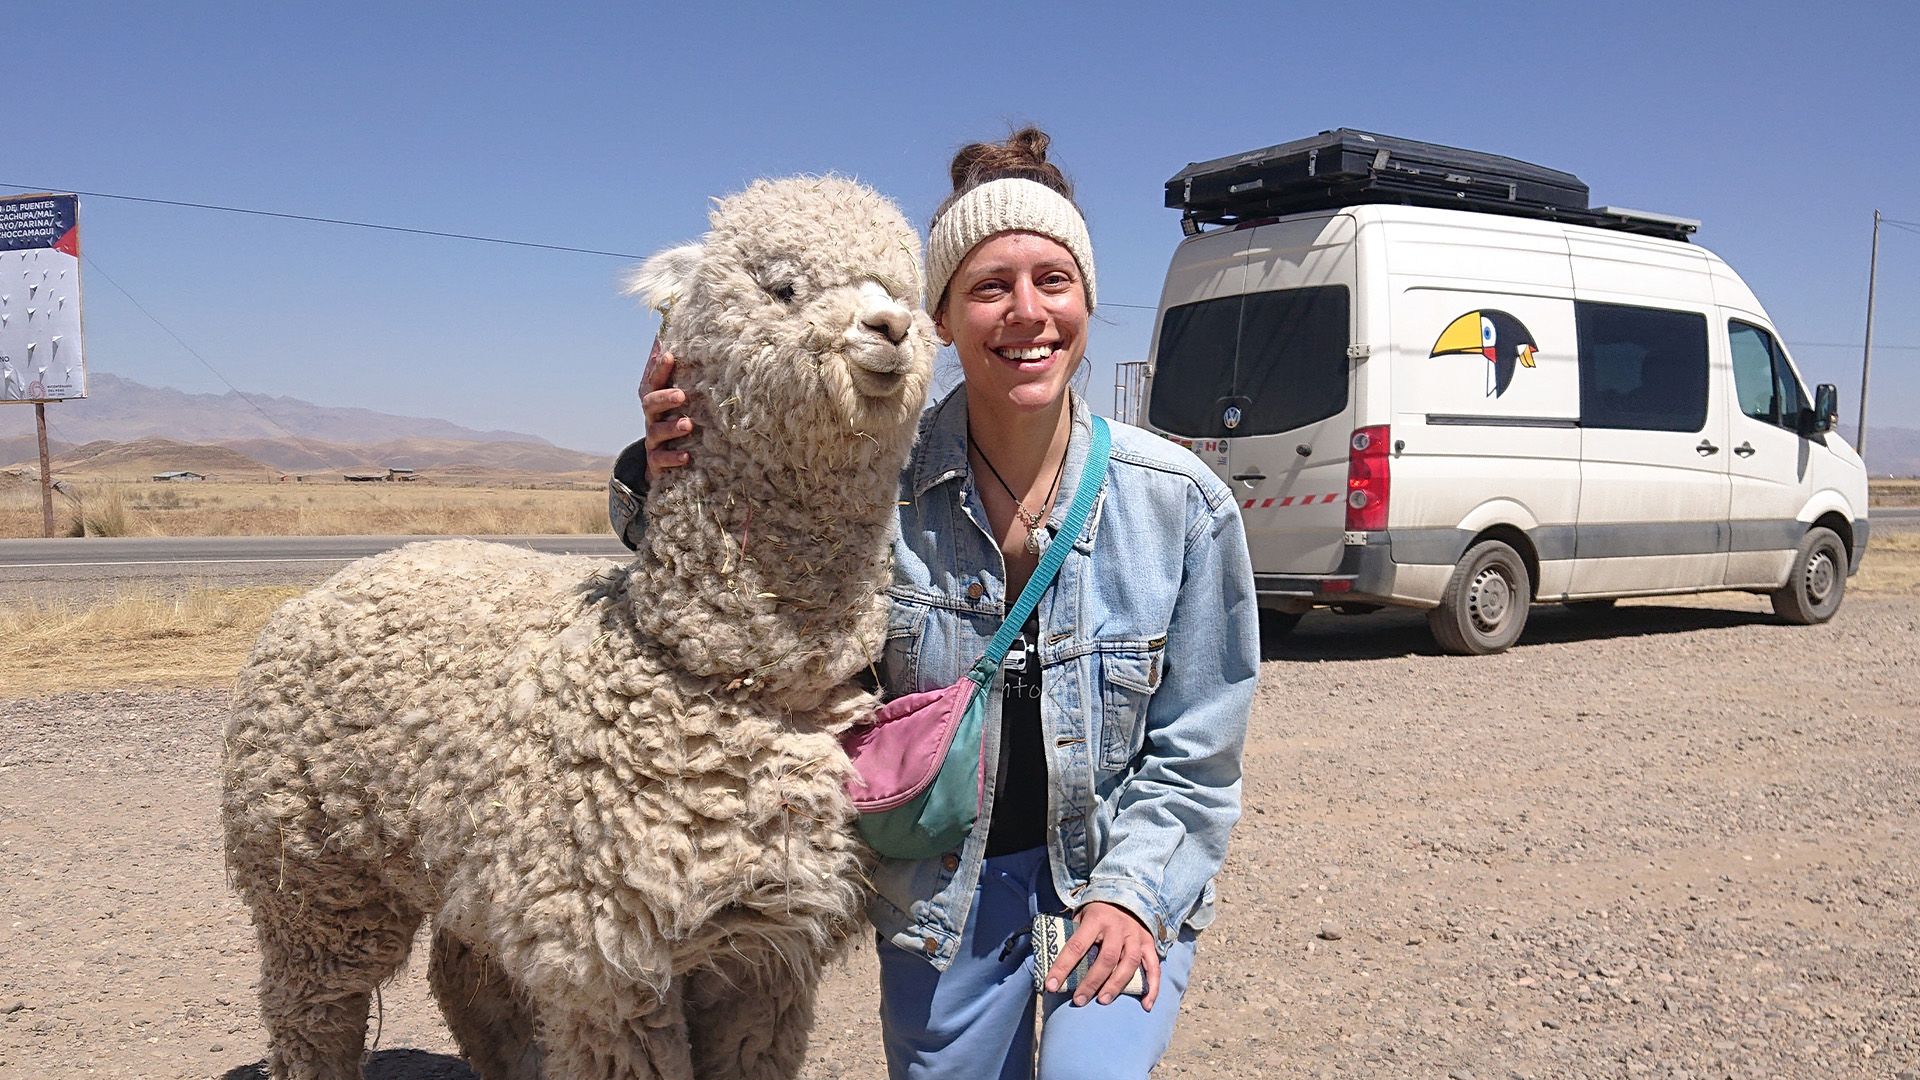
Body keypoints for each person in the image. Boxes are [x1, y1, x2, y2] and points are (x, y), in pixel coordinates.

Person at [609, 128, 1259, 1080]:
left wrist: (1134, 895)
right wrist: (672, 453)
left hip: (1110, 875)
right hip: (942, 896)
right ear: (942, 319)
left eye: (1054, 281)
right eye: (990, 287)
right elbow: (730, 579)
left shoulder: (1179, 505)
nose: (1027, 314)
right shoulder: (874, 479)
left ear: (1087, 300)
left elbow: (1198, 748)